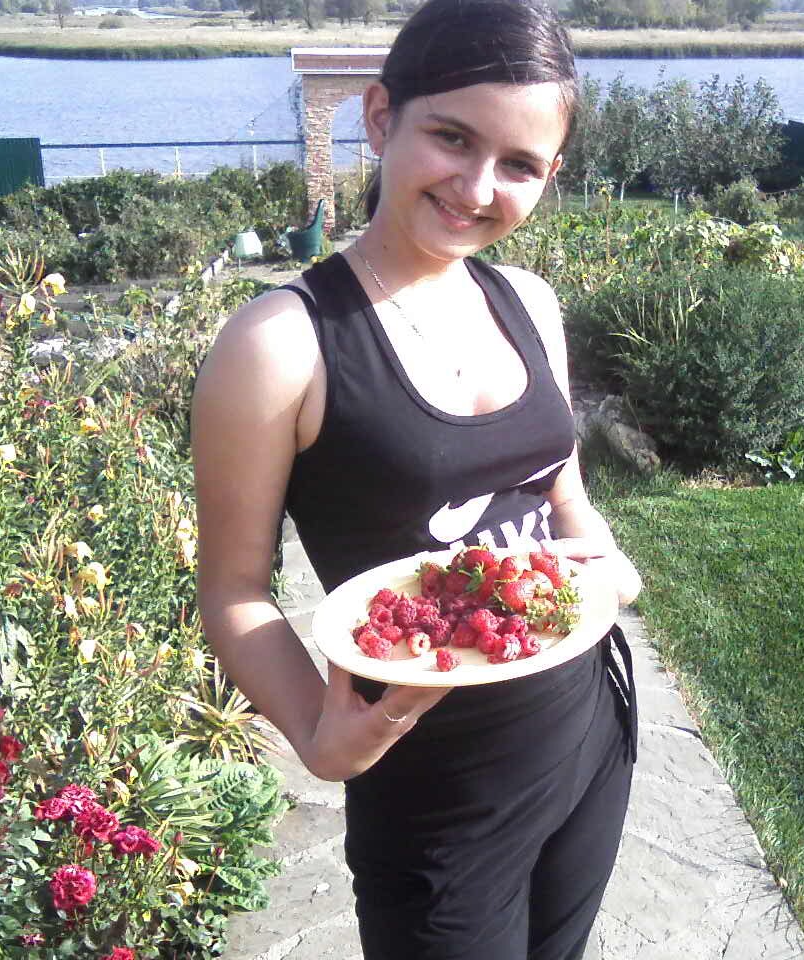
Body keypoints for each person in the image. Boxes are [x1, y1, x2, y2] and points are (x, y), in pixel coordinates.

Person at [191, 1, 642, 957]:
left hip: (588, 734)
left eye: (519, 165)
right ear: (380, 116)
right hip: (435, 790)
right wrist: (317, 733)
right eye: (452, 138)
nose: (477, 188)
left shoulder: (530, 303)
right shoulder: (281, 343)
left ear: (551, 174)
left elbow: (561, 495)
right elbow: (232, 590)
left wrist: (605, 563)